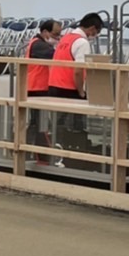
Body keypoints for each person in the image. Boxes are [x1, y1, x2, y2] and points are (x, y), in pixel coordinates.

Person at [22, 19, 61, 152]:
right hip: (36, 87)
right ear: (45, 32)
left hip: (37, 85)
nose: (58, 38)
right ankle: (35, 149)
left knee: (37, 122)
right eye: (55, 34)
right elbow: (57, 57)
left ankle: (33, 148)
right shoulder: (39, 45)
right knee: (39, 123)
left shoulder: (37, 43)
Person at [50, 13, 104, 102]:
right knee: (75, 116)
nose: (96, 35)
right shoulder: (82, 42)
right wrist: (81, 92)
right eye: (97, 32)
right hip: (69, 88)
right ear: (92, 29)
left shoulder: (65, 38)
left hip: (54, 84)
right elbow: (78, 71)